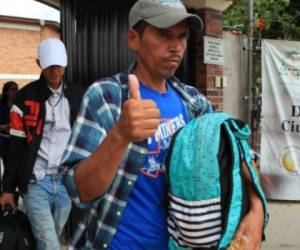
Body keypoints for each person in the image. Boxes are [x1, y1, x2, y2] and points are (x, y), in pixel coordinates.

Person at [60, 0, 265, 249]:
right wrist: (120, 135)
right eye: (163, 35)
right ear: (133, 39)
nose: (176, 46)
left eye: (182, 36)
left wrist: (256, 210)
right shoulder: (106, 97)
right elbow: (79, 191)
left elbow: (241, 155)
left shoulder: (194, 103)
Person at [0, 38, 84, 250]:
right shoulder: (24, 98)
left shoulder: (78, 95)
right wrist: (7, 189)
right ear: (39, 64)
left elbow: (86, 140)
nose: (56, 70)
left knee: (48, 237)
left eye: (59, 65)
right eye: (50, 66)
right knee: (50, 245)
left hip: (66, 181)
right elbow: (15, 147)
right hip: (36, 181)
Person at [0, 81, 18, 168]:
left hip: (16, 140)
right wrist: (3, 127)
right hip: (3, 140)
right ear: (6, 91)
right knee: (7, 166)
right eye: (13, 90)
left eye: (17, 90)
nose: (16, 92)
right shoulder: (1, 105)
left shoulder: (19, 105)